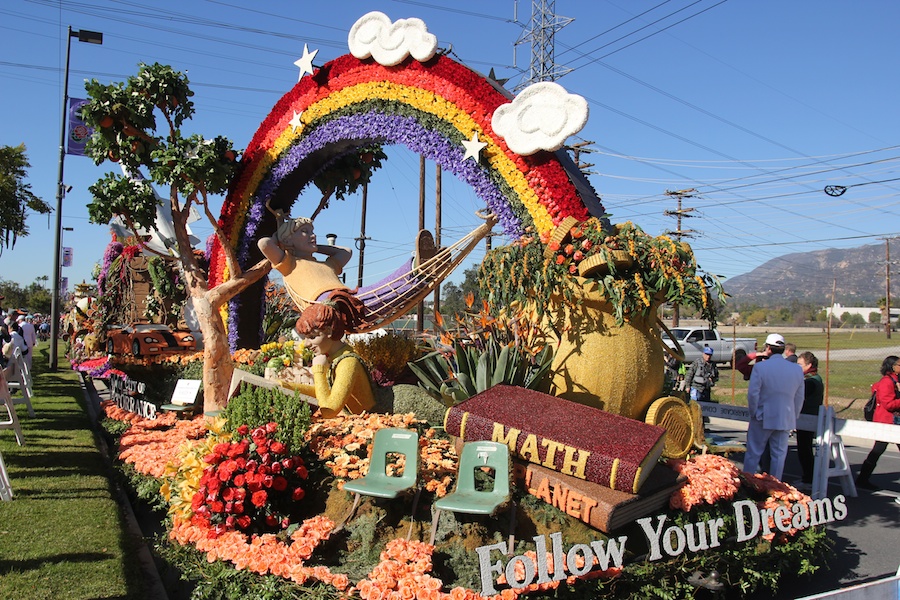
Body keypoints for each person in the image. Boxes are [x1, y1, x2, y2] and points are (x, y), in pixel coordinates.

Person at [257, 207, 441, 333]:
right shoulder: (290, 263)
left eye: (312, 232)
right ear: (288, 241)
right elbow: (264, 244)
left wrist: (314, 246)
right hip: (329, 306)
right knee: (376, 295)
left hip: (348, 298)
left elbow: (346, 252)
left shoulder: (325, 264)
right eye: (305, 232)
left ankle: (420, 271)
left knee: (378, 290)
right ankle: (417, 269)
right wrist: (281, 239)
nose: (312, 235)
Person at [279, 302, 376, 419]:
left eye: (312, 337)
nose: (306, 344)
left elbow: (328, 411)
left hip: (376, 419)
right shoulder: (335, 358)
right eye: (305, 338)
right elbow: (325, 393)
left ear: (329, 331)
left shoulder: (348, 363)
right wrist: (282, 386)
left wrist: (319, 371)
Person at [743, 333, 804, 481]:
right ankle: (776, 486)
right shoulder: (796, 370)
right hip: (785, 417)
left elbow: (753, 394)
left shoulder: (761, 368)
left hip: (763, 416)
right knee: (779, 456)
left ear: (768, 348)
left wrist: (753, 412)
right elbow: (799, 397)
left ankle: (748, 483)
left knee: (754, 453)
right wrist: (794, 416)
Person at [855, 355, 900, 490]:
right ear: (892, 366)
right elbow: (888, 404)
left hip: (893, 422)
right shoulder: (887, 382)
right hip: (886, 423)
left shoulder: (895, 380)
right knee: (877, 450)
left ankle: (862, 479)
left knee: (877, 451)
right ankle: (862, 479)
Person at [795, 351, 824, 487]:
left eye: (800, 365)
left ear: (809, 365)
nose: (797, 367)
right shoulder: (809, 379)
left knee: (804, 449)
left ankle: (809, 478)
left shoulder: (811, 381)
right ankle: (808, 476)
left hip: (808, 418)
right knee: (804, 448)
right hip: (806, 417)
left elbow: (799, 394)